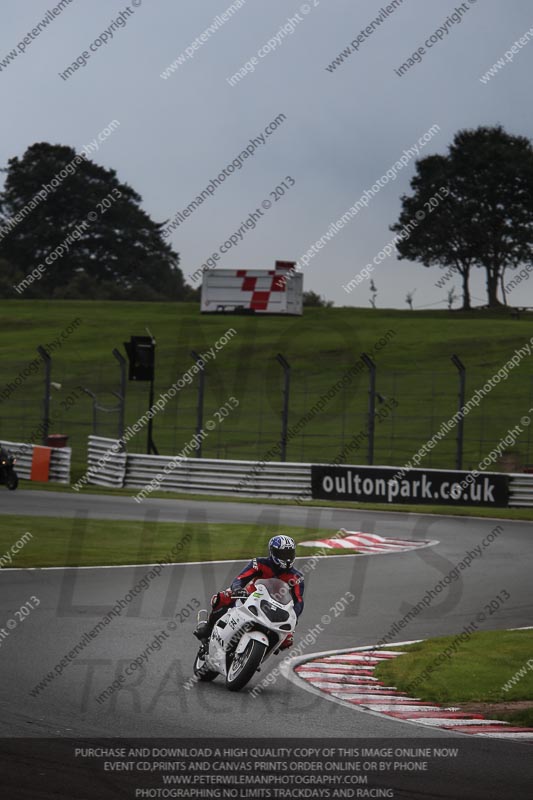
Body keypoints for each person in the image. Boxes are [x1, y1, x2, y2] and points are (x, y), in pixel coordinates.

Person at [194, 535, 304, 650]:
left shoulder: (297, 577)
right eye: (283, 554)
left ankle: (255, 658)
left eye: (289, 554)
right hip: (252, 597)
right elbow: (241, 578)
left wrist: (293, 618)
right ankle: (208, 628)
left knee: (287, 640)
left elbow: (299, 601)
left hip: (277, 608)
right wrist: (237, 588)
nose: (286, 558)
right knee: (222, 597)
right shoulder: (260, 563)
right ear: (272, 552)